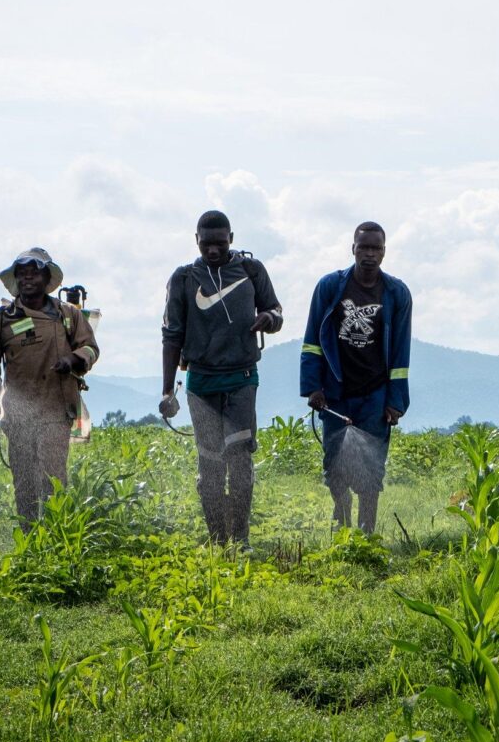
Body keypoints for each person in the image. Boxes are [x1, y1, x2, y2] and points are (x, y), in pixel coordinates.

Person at [160, 211, 283, 547]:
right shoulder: (184, 278)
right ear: (196, 239)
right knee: (210, 464)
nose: (213, 249)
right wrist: (167, 390)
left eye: (220, 242)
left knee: (240, 459)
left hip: (242, 378)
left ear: (231, 237)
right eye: (206, 243)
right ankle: (218, 539)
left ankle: (241, 537)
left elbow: (276, 310)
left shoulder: (250, 270)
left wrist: (268, 319)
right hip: (201, 383)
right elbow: (171, 335)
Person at [300, 223, 413, 534]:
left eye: (376, 248)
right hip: (336, 392)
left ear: (384, 252)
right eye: (363, 247)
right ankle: (342, 519)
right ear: (353, 249)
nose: (369, 254)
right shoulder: (329, 287)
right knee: (334, 466)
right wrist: (313, 387)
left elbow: (401, 354)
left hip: (375, 394)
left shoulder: (397, 293)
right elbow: (312, 340)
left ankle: (367, 534)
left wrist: (396, 401)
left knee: (371, 470)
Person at [0, 248, 100, 525]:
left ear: (47, 279)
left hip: (57, 408)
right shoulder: (0, 319)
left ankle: (57, 534)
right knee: (24, 480)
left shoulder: (68, 314)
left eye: (34, 274)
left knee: (53, 477)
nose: (27, 279)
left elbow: (91, 348)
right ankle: (29, 537)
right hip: (18, 413)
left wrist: (73, 360)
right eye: (22, 275)